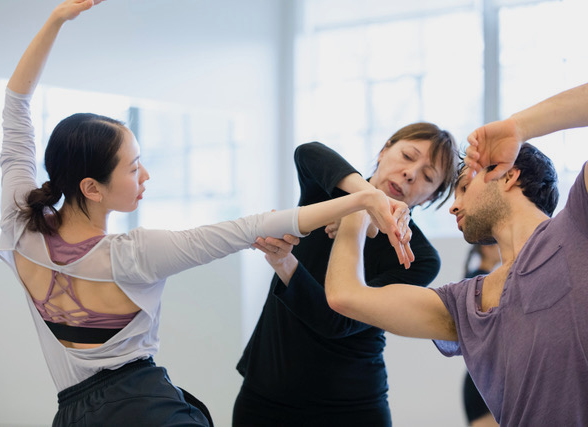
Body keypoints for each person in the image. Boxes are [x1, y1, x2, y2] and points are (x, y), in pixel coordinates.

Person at [0, 1, 414, 425]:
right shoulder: (132, 254)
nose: (145, 175)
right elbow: (251, 226)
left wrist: (54, 21)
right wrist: (363, 199)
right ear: (92, 188)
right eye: (133, 166)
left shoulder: (17, 228)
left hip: (73, 416)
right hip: (145, 407)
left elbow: (16, 107)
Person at [325, 82, 588, 425]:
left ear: (506, 175)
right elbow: (345, 296)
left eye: (463, 186)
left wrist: (518, 127)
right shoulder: (465, 305)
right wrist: (361, 203)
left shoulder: (576, 228)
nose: (454, 206)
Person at [233, 125, 459, 425]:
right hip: (265, 393)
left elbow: (336, 320)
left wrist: (286, 263)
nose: (410, 173)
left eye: (428, 176)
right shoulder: (330, 193)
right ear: (384, 150)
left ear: (430, 197)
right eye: (407, 155)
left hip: (350, 407)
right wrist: (366, 202)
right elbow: (308, 151)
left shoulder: (418, 256)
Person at [461, 244, 500, 427]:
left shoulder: (481, 279)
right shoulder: (480, 283)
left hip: (488, 379)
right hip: (484, 383)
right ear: (486, 247)